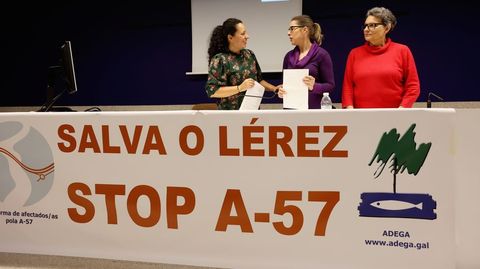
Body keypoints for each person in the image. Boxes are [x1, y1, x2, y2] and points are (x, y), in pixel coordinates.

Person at [341, 7, 420, 108]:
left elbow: (413, 86)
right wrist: (350, 110)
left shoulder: (402, 51)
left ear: (386, 28)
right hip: (361, 118)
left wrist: (402, 110)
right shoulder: (354, 54)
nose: (366, 29)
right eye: (365, 26)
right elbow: (347, 87)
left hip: (395, 118)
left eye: (372, 25)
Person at [205, 18, 279, 110]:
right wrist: (240, 88)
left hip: (253, 112)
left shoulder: (249, 54)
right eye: (243, 34)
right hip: (230, 115)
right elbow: (213, 91)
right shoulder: (220, 59)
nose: (247, 36)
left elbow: (259, 80)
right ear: (230, 37)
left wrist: (274, 89)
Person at [279, 15, 335, 109]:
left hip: (313, 112)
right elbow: (284, 85)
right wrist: (281, 91)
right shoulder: (288, 56)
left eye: (292, 29)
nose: (288, 33)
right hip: (291, 110)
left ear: (305, 30)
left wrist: (314, 86)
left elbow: (330, 86)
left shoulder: (322, 54)